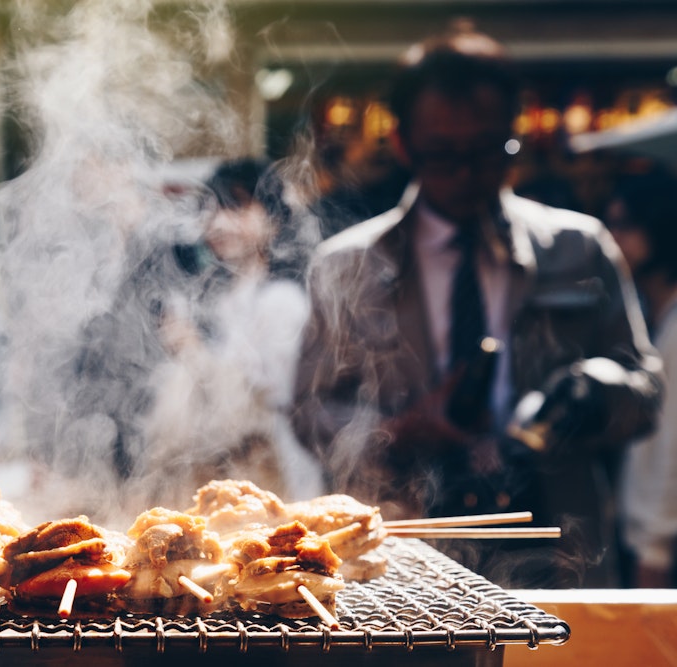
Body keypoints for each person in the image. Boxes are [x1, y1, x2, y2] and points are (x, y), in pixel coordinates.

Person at [290, 23, 663, 588]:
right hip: (404, 553)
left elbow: (645, 392)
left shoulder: (579, 247)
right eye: (444, 155)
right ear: (404, 145)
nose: (467, 174)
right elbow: (310, 410)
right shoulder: (347, 264)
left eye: (488, 152)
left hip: (555, 544)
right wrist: (397, 430)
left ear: (513, 134)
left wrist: (596, 392)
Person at [138, 158, 323, 504]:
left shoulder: (282, 302)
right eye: (210, 209)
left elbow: (270, 405)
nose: (219, 223)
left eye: (236, 207)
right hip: (228, 477)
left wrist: (194, 352)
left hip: (275, 477)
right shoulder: (220, 298)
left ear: (273, 218)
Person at [605, 169, 677, 588]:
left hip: (661, 547)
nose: (613, 239)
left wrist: (655, 550)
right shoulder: (654, 314)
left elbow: (669, 446)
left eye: (625, 225)